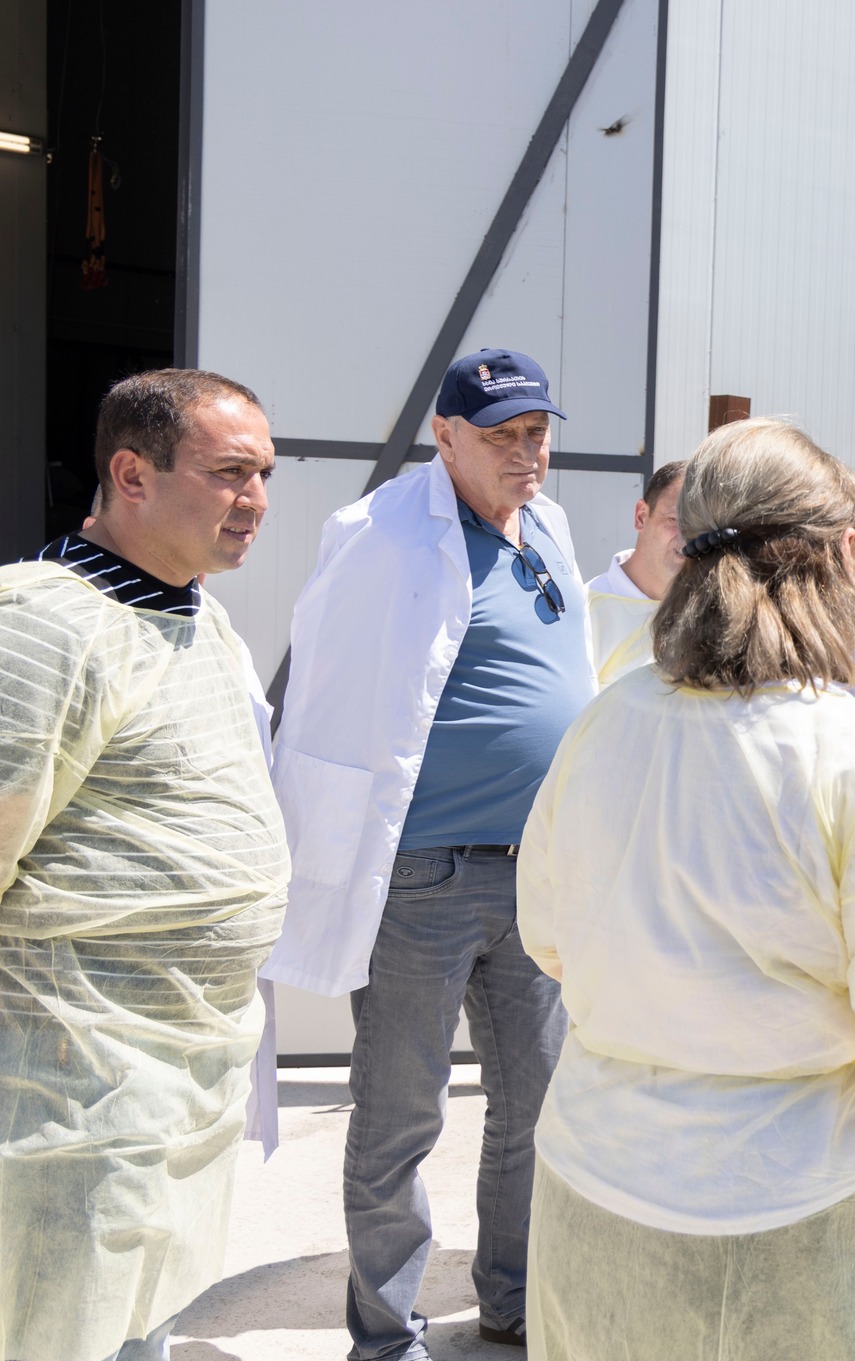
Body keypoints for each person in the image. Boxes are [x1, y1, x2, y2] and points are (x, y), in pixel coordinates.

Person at [516, 418, 855, 1360]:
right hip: (808, 1223)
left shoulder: (603, 723)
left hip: (597, 1193)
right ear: (848, 552)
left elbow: (548, 938)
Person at [264, 349, 596, 1358]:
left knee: (537, 1103)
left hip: (535, 871)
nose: (525, 452)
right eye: (500, 435)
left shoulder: (549, 523)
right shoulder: (380, 534)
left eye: (536, 432)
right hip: (423, 875)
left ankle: (512, 1296)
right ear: (444, 436)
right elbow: (331, 692)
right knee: (401, 1112)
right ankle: (385, 1330)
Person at [0, 370, 285, 1361]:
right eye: (230, 472)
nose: (256, 499)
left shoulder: (198, 613)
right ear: (132, 474)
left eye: (265, 474)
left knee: (139, 1320)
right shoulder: (42, 621)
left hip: (181, 1081)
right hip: (73, 1088)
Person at [585, 459, 687, 687]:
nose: (689, 538)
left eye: (701, 527)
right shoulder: (585, 610)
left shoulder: (712, 613)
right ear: (641, 516)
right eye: (675, 520)